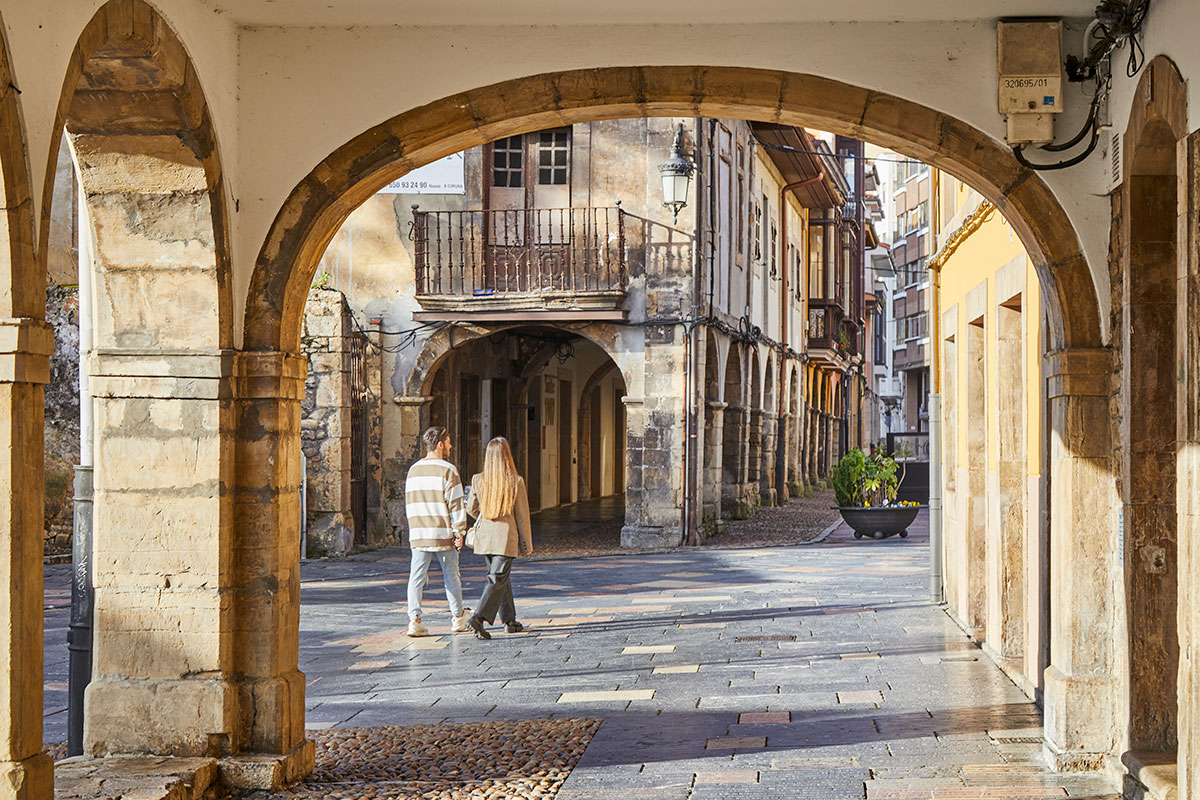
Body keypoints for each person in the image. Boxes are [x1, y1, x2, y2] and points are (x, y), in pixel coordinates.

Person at [404, 426, 472, 637]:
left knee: (416, 577)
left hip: (419, 533)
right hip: (442, 533)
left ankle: (414, 620)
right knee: (451, 575)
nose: (451, 446)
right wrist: (459, 531)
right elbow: (456, 504)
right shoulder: (448, 470)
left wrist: (414, 530)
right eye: (449, 442)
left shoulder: (413, 470)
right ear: (440, 444)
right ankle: (458, 617)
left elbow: (410, 503)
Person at [463, 437, 533, 640]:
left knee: (501, 578)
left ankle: (509, 620)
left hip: (485, 538)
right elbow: (522, 516)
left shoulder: (478, 479)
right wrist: (526, 543)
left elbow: (471, 508)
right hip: (504, 538)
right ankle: (478, 617)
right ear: (507, 456)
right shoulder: (516, 481)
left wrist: (485, 518)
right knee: (497, 579)